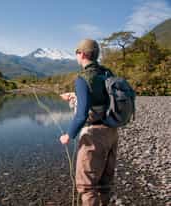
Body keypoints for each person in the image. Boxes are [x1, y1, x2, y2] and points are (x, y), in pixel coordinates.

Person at [60, 39, 118, 206]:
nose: (76, 56)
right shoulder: (107, 72)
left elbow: (81, 115)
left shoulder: (82, 78)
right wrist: (74, 95)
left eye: (77, 53)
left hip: (94, 135)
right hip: (112, 132)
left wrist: (68, 135)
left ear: (83, 54)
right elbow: (101, 98)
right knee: (105, 183)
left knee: (86, 185)